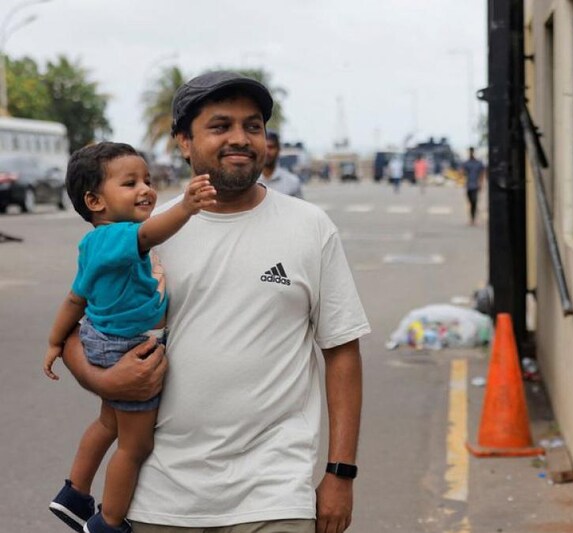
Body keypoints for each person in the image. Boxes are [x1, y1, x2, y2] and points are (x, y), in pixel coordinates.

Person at [61, 71, 370, 533]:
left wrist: (340, 472)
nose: (240, 139)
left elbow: (342, 349)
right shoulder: (143, 232)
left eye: (253, 126)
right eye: (220, 126)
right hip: (159, 494)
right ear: (184, 142)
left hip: (274, 493)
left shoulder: (309, 226)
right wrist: (103, 378)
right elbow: (74, 330)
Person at [44, 142, 217, 533]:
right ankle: (107, 522)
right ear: (95, 201)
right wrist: (187, 206)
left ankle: (74, 494)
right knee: (135, 446)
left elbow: (75, 298)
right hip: (128, 346)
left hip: (102, 338)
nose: (146, 189)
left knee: (108, 424)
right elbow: (152, 232)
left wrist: (56, 341)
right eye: (130, 183)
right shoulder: (119, 237)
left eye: (147, 180)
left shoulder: (94, 243)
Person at [257, 131, 303, 199]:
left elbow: (300, 208)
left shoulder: (292, 182)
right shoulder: (249, 181)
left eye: (271, 147)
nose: (267, 151)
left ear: (278, 150)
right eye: (264, 147)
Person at [461, 147, 486, 225]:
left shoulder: (478, 163)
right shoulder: (466, 163)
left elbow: (482, 173)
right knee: (471, 202)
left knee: (474, 201)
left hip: (475, 185)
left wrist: (481, 183)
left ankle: (473, 219)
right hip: (469, 185)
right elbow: (462, 173)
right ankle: (472, 218)